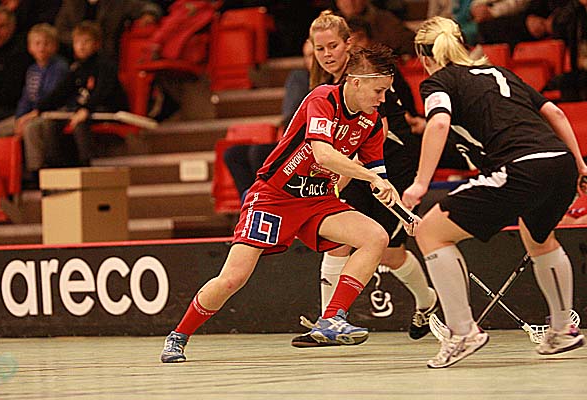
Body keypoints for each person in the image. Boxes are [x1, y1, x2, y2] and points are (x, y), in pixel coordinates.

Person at [160, 43, 402, 363]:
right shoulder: (322, 99)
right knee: (233, 278)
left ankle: (332, 319)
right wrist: (372, 178)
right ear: (356, 82)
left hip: (318, 199)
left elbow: (377, 173)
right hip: (274, 198)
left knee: (375, 237)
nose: (383, 99)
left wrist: (395, 200)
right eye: (379, 91)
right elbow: (323, 154)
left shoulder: (370, 122)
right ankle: (178, 336)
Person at [402, 16, 587, 368]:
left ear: (423, 57)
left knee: (430, 233)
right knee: (540, 239)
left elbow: (438, 122)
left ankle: (462, 332)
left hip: (520, 167)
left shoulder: (438, 81)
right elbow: (555, 112)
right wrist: (580, 165)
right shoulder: (499, 72)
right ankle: (563, 329)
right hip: (560, 162)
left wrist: (420, 184)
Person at [290, 11, 438, 348]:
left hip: (390, 169)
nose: (326, 54)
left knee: (389, 253)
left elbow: (376, 134)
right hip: (353, 170)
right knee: (338, 242)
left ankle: (427, 300)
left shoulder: (367, 76)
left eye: (333, 46)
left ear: (349, 44)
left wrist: (338, 180)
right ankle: (327, 322)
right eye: (319, 48)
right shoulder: (323, 86)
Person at [224, 39, 314, 200]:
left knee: (259, 153)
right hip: (294, 136)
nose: (311, 61)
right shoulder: (303, 79)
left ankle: (267, 202)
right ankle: (250, 203)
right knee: (233, 154)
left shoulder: (327, 83)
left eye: (315, 54)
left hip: (311, 143)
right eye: (307, 56)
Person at [29, 21, 128, 167]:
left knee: (81, 123)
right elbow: (61, 92)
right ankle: (55, 167)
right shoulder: (77, 68)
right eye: (77, 42)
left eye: (86, 41)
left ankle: (87, 165)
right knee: (51, 123)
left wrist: (86, 109)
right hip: (82, 110)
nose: (81, 46)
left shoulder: (106, 66)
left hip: (105, 110)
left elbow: (101, 93)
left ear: (97, 44)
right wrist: (40, 109)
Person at [0, 23, 68, 186]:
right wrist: (20, 118)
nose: (41, 48)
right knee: (0, 129)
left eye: (46, 43)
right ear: (30, 47)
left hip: (51, 113)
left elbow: (52, 99)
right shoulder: (32, 70)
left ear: (54, 46)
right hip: (31, 113)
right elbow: (25, 99)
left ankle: (36, 172)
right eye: (37, 43)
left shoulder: (59, 68)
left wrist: (29, 117)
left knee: (30, 128)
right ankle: (8, 173)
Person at [54, 0, 162, 61]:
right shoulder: (72, 3)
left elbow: (149, 7)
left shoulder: (117, 3)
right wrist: (80, 41)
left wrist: (149, 14)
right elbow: (60, 29)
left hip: (106, 54)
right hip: (75, 55)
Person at [0, 5, 31, 137]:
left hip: (12, 108)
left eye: (1, 26)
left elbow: (11, 94)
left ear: (12, 27)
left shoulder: (22, 53)